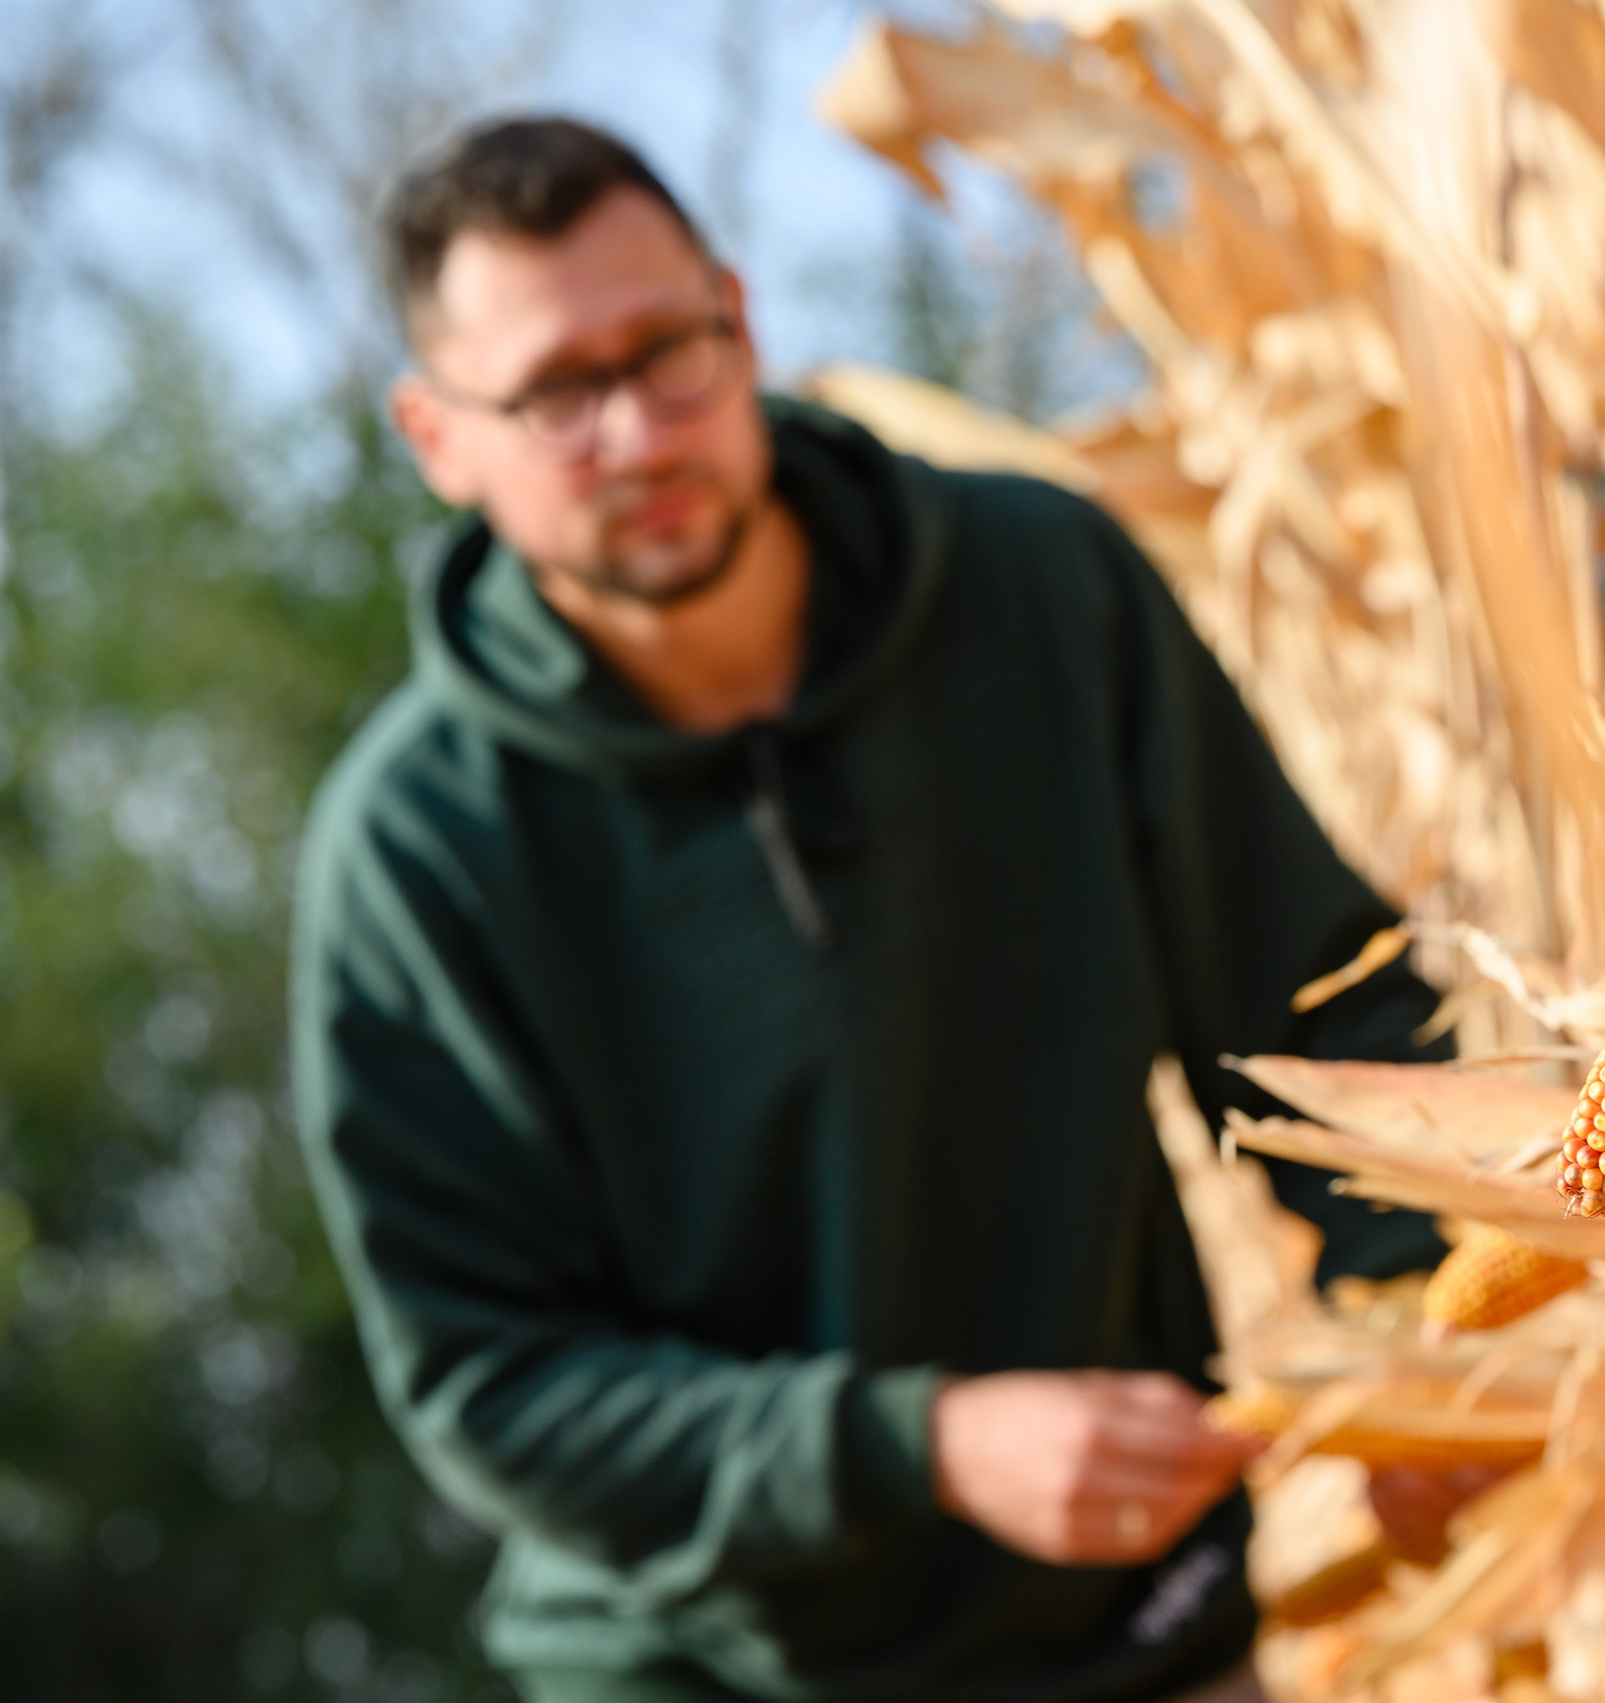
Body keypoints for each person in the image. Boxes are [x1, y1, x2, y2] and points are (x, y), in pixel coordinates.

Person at [290, 116, 1451, 1703]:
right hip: (702, 1677)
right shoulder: (416, 854)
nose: (638, 432)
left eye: (671, 354)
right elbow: (498, 1389)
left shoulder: (1044, 589)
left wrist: (1428, 1328)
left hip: (1137, 1646)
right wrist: (926, 1445)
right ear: (437, 437)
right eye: (561, 395)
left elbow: (1320, 1004)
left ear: (742, 320)